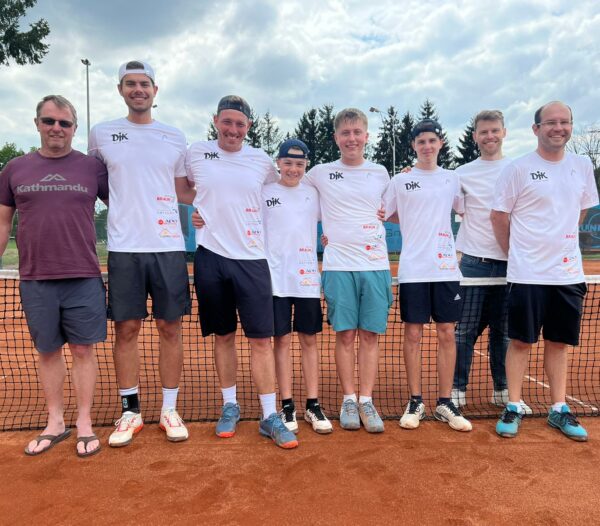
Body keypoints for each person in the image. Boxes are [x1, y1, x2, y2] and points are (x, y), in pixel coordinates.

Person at [88, 61, 195, 447]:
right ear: (121, 89)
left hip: (168, 247)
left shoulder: (174, 136)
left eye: (144, 83)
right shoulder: (101, 133)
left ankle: (169, 409)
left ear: (155, 89)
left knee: (170, 328)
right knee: (127, 330)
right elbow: (97, 185)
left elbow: (184, 189)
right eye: (130, 84)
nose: (138, 90)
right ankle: (130, 411)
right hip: (124, 249)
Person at [185, 95, 298, 449]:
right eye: (228, 122)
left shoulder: (262, 162)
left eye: (240, 124)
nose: (233, 130)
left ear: (248, 128)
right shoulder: (195, 153)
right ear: (216, 120)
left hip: (252, 260)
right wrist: (196, 208)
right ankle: (230, 405)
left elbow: (288, 186)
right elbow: (182, 188)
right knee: (223, 336)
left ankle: (268, 415)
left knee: (261, 339)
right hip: (210, 257)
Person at [0, 95, 108, 457]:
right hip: (35, 278)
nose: (56, 128)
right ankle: (55, 422)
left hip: (83, 275)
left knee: (82, 350)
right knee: (47, 351)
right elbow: (3, 222)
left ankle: (85, 423)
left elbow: (126, 206)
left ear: (74, 128)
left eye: (64, 123)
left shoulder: (92, 168)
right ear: (37, 124)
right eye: (49, 121)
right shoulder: (14, 169)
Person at [491, 101, 598, 441]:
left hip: (567, 275)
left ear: (570, 126)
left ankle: (558, 409)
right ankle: (513, 404)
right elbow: (499, 216)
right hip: (526, 274)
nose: (558, 128)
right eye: (550, 122)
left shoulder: (581, 166)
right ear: (536, 129)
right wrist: (517, 252)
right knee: (521, 341)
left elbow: (580, 211)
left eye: (564, 122)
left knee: (559, 343)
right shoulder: (518, 168)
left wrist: (558, 244)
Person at [304, 108, 392, 433]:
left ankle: (367, 400)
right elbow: (286, 184)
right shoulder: (320, 172)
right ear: (336, 138)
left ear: (366, 136)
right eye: (345, 133)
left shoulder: (382, 173)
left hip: (376, 265)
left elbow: (396, 207)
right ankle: (348, 400)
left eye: (357, 132)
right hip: (339, 266)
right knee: (345, 335)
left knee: (370, 336)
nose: (352, 138)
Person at [383, 118, 472, 432]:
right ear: (414, 146)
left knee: (447, 333)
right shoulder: (400, 180)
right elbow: (386, 213)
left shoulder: (452, 179)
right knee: (413, 335)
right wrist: (409, 221)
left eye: (432, 141)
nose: (427, 146)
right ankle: (415, 400)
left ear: (440, 144)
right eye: (421, 142)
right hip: (413, 270)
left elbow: (464, 210)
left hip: (446, 268)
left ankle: (445, 402)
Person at [452, 110, 531, 414]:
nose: (489, 136)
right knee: (464, 331)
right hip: (473, 263)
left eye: (494, 130)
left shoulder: (519, 168)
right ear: (475, 136)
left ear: (504, 132)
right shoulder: (461, 173)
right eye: (483, 132)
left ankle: (502, 390)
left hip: (512, 265)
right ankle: (457, 389)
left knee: (504, 332)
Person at [263, 138, 332, 434]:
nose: (293, 169)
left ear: (306, 166)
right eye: (288, 163)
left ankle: (312, 405)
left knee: (309, 341)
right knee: (280, 341)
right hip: (274, 280)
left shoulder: (314, 194)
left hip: (306, 281)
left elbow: (343, 212)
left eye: (300, 164)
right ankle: (287, 404)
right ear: (278, 162)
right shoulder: (263, 191)